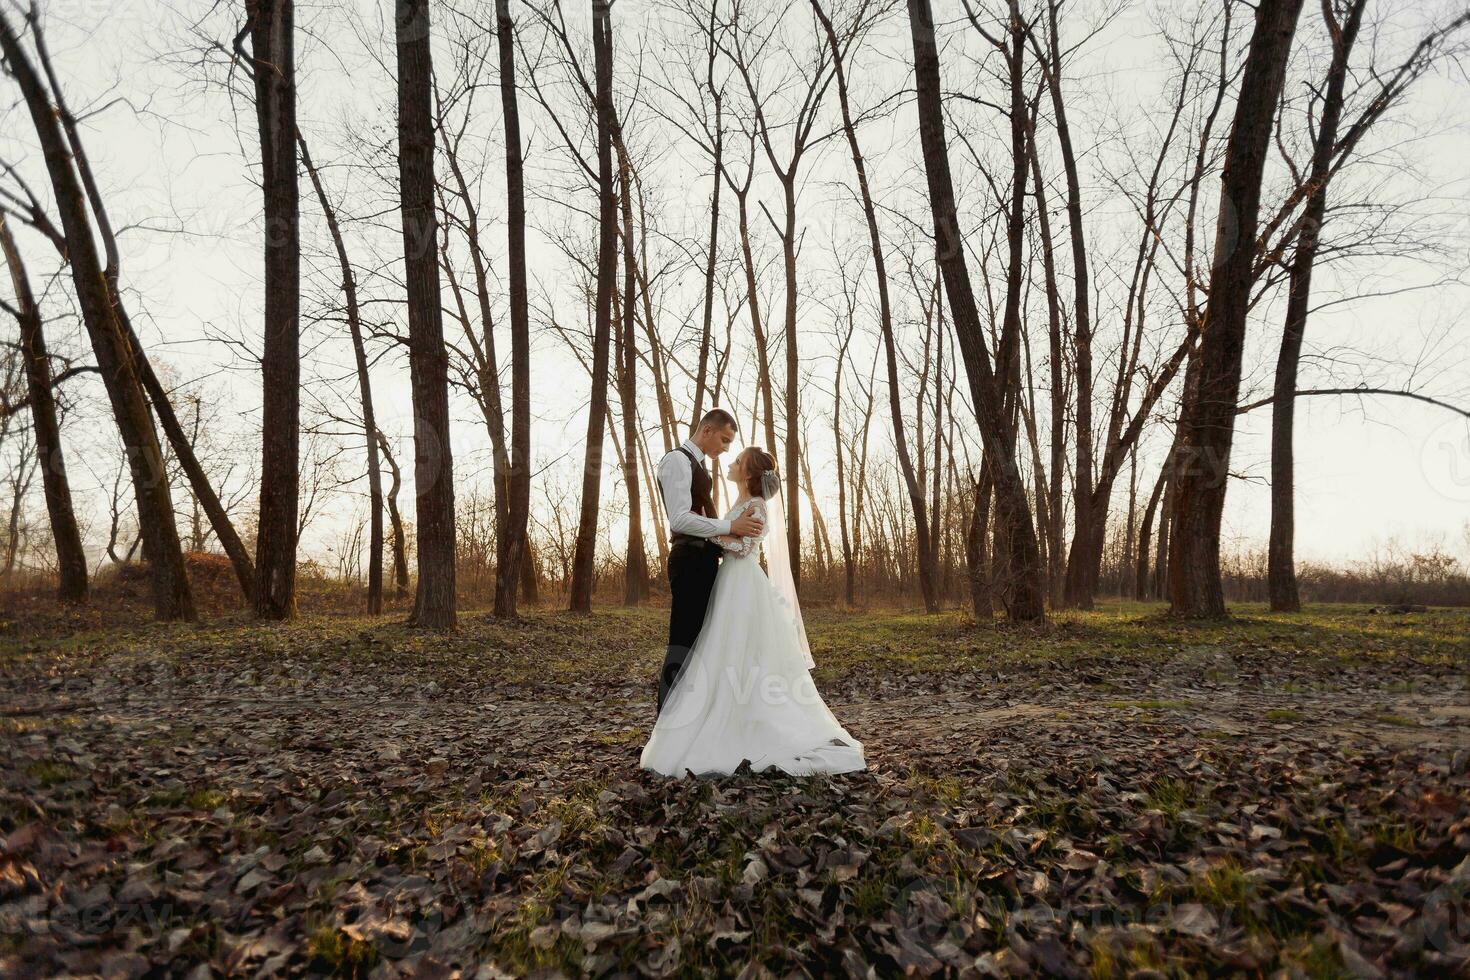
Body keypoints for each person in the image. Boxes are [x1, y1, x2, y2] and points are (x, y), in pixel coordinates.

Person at [641, 445, 867, 778]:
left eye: (736, 461)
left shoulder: (757, 505)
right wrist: (723, 526)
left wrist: (717, 532)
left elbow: (745, 548)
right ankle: (723, 711)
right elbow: (732, 532)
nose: (729, 464)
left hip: (743, 583)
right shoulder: (737, 504)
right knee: (721, 649)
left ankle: (752, 719)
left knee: (742, 651)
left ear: (748, 473)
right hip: (727, 582)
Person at [654, 409, 764, 715]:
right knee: (683, 642)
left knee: (702, 646)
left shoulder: (699, 464)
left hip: (703, 562)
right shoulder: (677, 460)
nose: (727, 448)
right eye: (725, 439)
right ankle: (666, 722)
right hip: (688, 560)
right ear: (707, 430)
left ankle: (692, 717)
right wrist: (730, 527)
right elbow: (679, 518)